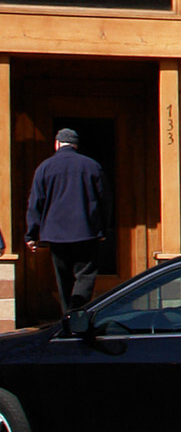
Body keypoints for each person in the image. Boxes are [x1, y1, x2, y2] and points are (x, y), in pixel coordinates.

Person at [26, 127, 108, 318]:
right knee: (85, 276)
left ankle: (68, 316)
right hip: (86, 231)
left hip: (55, 234)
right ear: (76, 145)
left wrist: (31, 234)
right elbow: (105, 199)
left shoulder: (44, 168)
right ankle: (76, 313)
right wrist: (103, 228)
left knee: (63, 279)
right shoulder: (92, 166)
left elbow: (35, 202)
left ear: (57, 144)